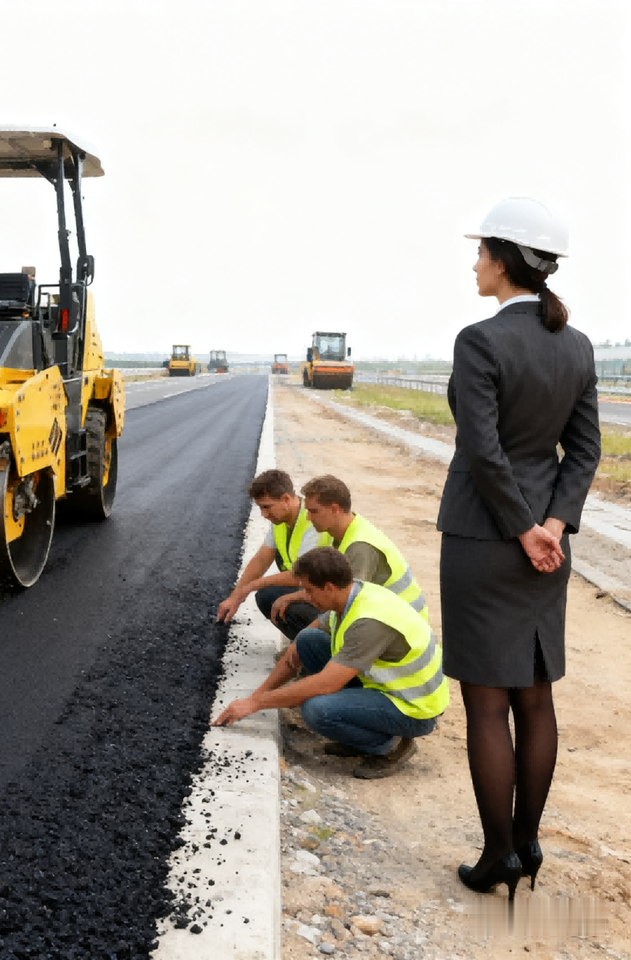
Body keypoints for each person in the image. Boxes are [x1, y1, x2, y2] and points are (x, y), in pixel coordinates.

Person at [438, 197, 600, 902]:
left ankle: (498, 856)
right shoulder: (578, 345)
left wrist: (521, 527)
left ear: (504, 261)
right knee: (535, 697)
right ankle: (527, 845)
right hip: (545, 551)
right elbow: (584, 451)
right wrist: (552, 525)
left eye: (481, 253)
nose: (474, 264)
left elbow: (482, 450)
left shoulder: (479, 340)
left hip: (484, 539)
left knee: (486, 705)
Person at [212, 547, 449, 780]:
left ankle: (390, 744)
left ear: (328, 587)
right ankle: (363, 732)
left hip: (413, 706)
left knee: (317, 710)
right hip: (385, 687)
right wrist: (257, 695)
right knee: (307, 640)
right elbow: (304, 642)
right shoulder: (350, 595)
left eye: (309, 590)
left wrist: (255, 704)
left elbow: (326, 684)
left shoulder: (368, 621)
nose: (306, 597)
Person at [267, 475, 429, 627]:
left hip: (398, 625)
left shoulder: (360, 547)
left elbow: (347, 602)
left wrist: (305, 635)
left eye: (313, 511)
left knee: (310, 636)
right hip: (381, 614)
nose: (308, 518)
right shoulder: (341, 531)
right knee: (274, 596)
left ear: (334, 509)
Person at [216, 469, 319, 640]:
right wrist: (236, 596)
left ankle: (313, 646)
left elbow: (302, 576)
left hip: (327, 598)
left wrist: (251, 586)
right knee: (266, 596)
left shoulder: (313, 523)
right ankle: (301, 642)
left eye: (266, 507)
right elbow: (262, 558)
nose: (263, 514)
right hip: (308, 589)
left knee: (268, 594)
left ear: (286, 499)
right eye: (260, 508)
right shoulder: (281, 521)